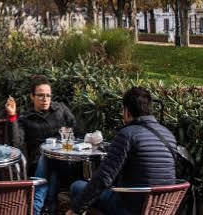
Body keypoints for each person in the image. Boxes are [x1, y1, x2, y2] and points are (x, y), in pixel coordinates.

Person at [68, 87, 177, 215]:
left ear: (127, 111)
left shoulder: (127, 134)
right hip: (161, 209)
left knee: (77, 187)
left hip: (130, 209)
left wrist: (76, 209)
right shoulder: (168, 135)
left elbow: (103, 178)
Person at [6, 75, 79, 215]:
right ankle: (45, 208)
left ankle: (36, 209)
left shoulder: (61, 109)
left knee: (51, 163)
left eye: (48, 95)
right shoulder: (26, 119)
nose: (45, 99)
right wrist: (12, 116)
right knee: (47, 160)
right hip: (39, 162)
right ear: (32, 97)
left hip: (66, 160)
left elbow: (76, 129)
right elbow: (16, 143)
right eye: (40, 95)